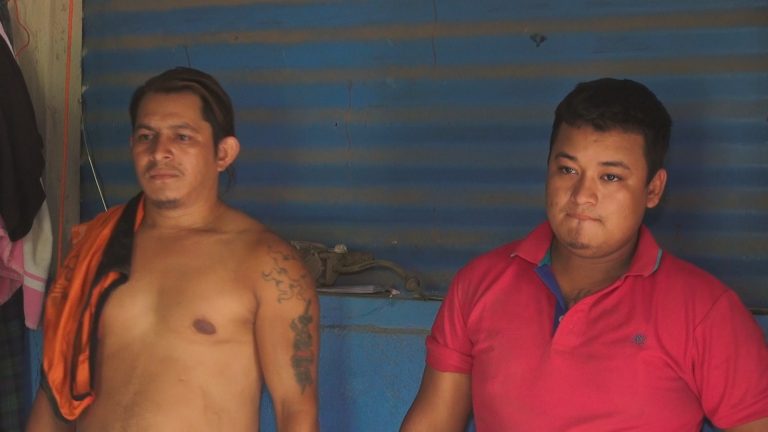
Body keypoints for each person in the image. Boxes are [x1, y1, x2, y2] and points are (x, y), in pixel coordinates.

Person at [401, 78, 768, 431]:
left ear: (653, 189)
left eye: (610, 177)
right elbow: (433, 424)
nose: (581, 196)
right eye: (568, 170)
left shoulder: (706, 314)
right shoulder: (479, 284)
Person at [26, 67, 320, 432]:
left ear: (223, 153)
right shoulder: (98, 247)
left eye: (182, 137)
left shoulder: (268, 264)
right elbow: (54, 392)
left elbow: (296, 410)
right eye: (146, 136)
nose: (159, 151)